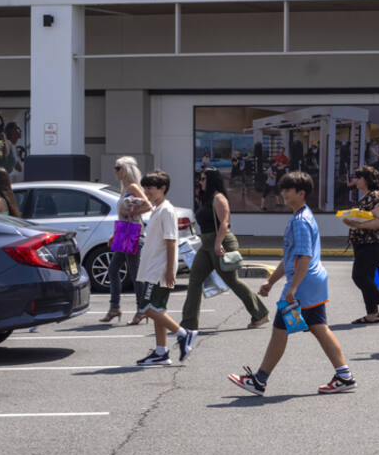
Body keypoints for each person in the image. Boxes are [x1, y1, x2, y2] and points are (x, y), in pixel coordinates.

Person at [228, 171, 356, 396]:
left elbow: (304, 257)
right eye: (283, 189)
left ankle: (259, 380)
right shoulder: (302, 216)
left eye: (288, 189)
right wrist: (271, 282)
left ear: (301, 193)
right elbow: (290, 257)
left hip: (303, 285)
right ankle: (344, 376)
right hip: (310, 283)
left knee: (281, 329)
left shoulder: (300, 221)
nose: (284, 193)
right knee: (318, 328)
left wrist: (293, 288)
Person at [178, 168, 269, 333]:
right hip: (206, 244)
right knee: (195, 280)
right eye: (200, 178)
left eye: (204, 179)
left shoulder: (218, 198)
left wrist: (218, 243)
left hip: (221, 242)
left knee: (232, 281)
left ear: (212, 180)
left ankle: (260, 313)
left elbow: (224, 223)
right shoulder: (205, 199)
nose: (201, 181)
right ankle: (188, 323)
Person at [133, 170, 197, 366]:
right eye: (145, 188)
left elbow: (171, 241)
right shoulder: (156, 209)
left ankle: (183, 334)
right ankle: (161, 352)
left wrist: (170, 270)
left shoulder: (167, 210)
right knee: (158, 309)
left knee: (147, 308)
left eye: (150, 188)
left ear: (163, 189)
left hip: (158, 269)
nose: (147, 191)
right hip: (151, 266)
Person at [341, 166, 379, 324]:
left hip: (373, 243)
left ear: (367, 180)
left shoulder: (376, 196)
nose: (356, 180)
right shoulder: (366, 197)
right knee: (367, 277)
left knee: (359, 276)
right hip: (363, 243)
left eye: (359, 177)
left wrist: (357, 225)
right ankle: (371, 314)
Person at [106, 156, 152, 324]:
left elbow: (148, 205)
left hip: (133, 233)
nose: (115, 171)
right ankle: (114, 308)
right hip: (123, 232)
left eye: (117, 168)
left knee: (135, 273)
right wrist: (114, 234)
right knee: (112, 269)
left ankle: (142, 310)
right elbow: (121, 214)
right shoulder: (124, 188)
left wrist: (131, 213)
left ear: (125, 170)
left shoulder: (132, 187)